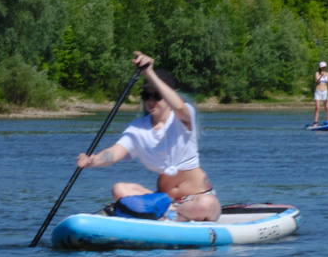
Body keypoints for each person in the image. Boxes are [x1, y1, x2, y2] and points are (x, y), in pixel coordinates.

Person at [75, 52, 224, 221]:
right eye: (146, 95)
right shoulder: (138, 128)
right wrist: (91, 161)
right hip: (163, 201)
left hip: (197, 198)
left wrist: (149, 73)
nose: (151, 100)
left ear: (167, 94)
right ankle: (168, 213)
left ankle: (162, 215)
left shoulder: (183, 117)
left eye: (157, 95)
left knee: (207, 204)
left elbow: (178, 106)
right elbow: (115, 152)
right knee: (120, 189)